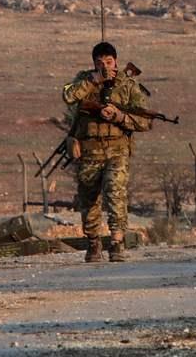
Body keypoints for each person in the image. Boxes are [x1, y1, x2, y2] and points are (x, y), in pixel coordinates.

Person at [62, 41, 153, 262]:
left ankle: (116, 241)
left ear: (116, 61)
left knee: (116, 191)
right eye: (100, 63)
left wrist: (120, 117)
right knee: (89, 198)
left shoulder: (127, 84)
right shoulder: (84, 80)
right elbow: (69, 96)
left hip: (117, 148)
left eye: (109, 62)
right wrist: (95, 80)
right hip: (89, 150)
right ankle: (93, 243)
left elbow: (146, 120)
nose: (105, 66)